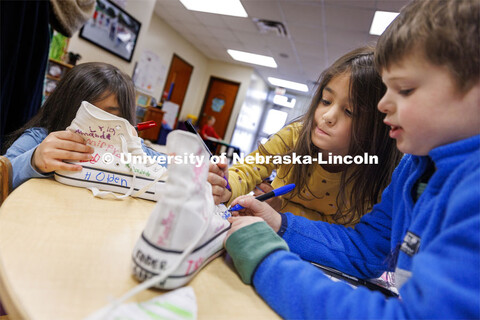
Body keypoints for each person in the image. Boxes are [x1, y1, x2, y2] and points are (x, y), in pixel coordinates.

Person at [223, 0, 480, 318]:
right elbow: (367, 248)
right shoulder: (413, 167)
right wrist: (279, 222)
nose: (384, 104)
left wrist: (265, 260)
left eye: (406, 89)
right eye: (387, 89)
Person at [209, 47, 402, 227]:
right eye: (326, 101)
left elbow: (343, 232)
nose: (327, 116)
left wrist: (281, 208)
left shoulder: (374, 176)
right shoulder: (295, 136)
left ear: (376, 130)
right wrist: (226, 186)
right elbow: (247, 170)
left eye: (349, 111)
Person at [3, 62, 164, 190]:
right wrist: (34, 160)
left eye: (110, 116)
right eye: (89, 113)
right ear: (65, 106)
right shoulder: (40, 138)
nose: (98, 126)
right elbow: (3, 173)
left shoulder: (131, 147)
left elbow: (170, 170)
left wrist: (135, 148)